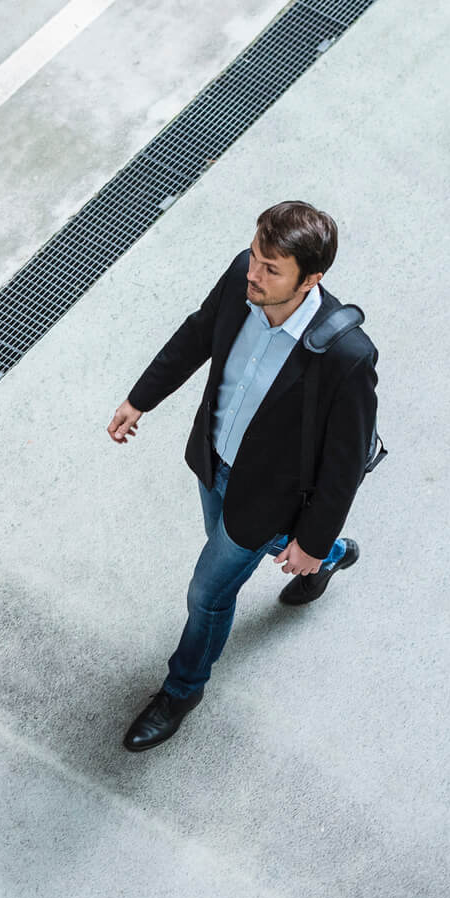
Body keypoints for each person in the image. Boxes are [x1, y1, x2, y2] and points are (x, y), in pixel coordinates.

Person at [106, 200, 378, 753]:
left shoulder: (345, 356)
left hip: (268, 498)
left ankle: (181, 690)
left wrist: (311, 532)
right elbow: (199, 334)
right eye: (256, 256)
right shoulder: (242, 279)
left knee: (209, 592)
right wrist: (141, 399)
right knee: (236, 546)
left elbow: (344, 463)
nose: (254, 273)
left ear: (311, 280)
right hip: (213, 463)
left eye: (272, 268)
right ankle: (330, 557)